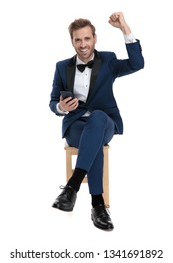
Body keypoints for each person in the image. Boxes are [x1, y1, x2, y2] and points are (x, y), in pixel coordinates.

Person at [49, 12, 144, 231]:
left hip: (106, 122)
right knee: (95, 142)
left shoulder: (108, 60)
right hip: (76, 126)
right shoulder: (62, 67)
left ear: (95, 38)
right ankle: (98, 206)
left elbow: (138, 64)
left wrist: (124, 29)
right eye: (78, 40)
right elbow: (53, 102)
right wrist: (61, 108)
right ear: (72, 41)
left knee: (99, 118)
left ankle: (72, 188)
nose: (83, 44)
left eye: (87, 38)